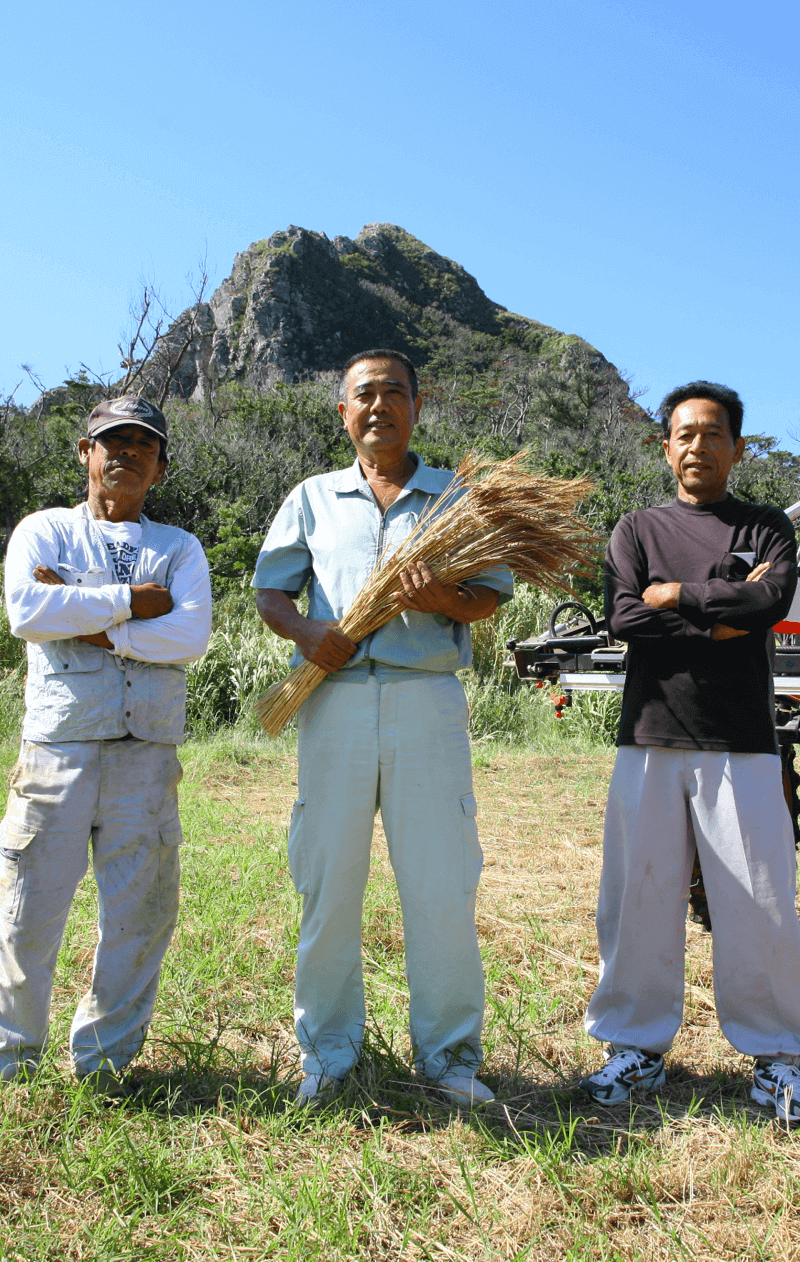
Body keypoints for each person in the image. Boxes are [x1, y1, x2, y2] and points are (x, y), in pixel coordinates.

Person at [254, 348, 513, 1105]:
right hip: (331, 701)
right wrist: (307, 635)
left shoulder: (456, 497)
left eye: (393, 393)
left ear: (417, 406)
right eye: (363, 395)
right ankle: (329, 1056)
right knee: (328, 880)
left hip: (424, 701)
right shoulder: (311, 496)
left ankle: (449, 1060)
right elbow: (272, 593)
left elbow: (487, 598)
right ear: (344, 412)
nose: (378, 407)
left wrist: (439, 598)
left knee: (440, 882)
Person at [580, 380, 800, 1123]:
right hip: (649, 736)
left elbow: (769, 605)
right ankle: (633, 1048)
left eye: (713, 434)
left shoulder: (768, 527)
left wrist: (675, 596)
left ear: (735, 447)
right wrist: (718, 614)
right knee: (637, 898)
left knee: (760, 901)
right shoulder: (636, 529)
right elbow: (624, 617)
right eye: (684, 434)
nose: (698, 445)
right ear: (666, 446)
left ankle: (777, 1056)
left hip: (742, 740)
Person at [1, 396, 211, 1092]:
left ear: (160, 467)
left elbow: (189, 638)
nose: (126, 452)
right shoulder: (44, 531)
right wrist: (131, 602)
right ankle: (11, 1060)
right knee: (27, 910)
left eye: (143, 445)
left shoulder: (179, 548)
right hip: (56, 751)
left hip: (146, 755)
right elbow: (27, 611)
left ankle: (106, 1064)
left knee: (139, 917)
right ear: (84, 453)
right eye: (111, 440)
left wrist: (84, 614)